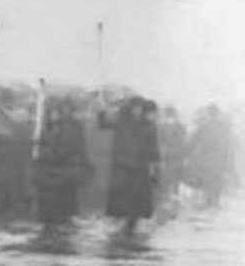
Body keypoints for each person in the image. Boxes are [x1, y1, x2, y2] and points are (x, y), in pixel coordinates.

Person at [99, 95, 160, 235]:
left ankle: (131, 228)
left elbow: (154, 151)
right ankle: (121, 229)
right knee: (121, 204)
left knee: (136, 206)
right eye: (135, 108)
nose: (137, 111)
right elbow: (103, 123)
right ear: (130, 108)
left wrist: (154, 171)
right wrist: (103, 107)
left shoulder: (148, 125)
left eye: (139, 108)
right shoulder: (121, 121)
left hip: (140, 171)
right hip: (122, 169)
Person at [31, 96, 92, 227]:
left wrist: (54, 153)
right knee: (47, 214)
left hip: (63, 176)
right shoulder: (46, 129)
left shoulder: (72, 128)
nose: (54, 115)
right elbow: (41, 150)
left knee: (63, 212)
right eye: (51, 112)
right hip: (48, 178)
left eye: (56, 112)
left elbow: (72, 149)